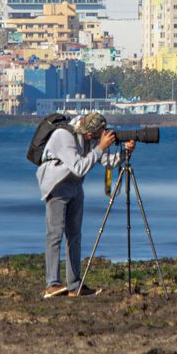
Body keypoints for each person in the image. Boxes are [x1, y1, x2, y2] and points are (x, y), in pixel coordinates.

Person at [36, 112, 135, 298]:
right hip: (56, 186)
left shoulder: (89, 137)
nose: (96, 139)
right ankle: (52, 284)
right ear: (88, 131)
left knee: (75, 236)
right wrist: (100, 147)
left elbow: (106, 161)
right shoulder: (63, 136)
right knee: (55, 235)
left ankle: (74, 285)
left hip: (75, 186)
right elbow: (79, 166)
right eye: (95, 136)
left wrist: (125, 153)